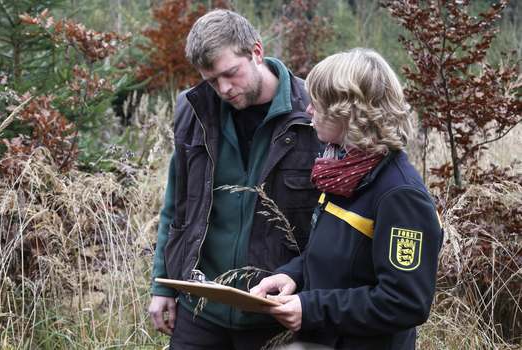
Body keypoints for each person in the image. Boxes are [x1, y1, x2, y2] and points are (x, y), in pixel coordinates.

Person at [147, 9, 323, 349]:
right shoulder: (193, 108)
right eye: (212, 80)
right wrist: (163, 286)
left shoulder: (312, 113)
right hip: (200, 311)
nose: (224, 88)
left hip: (277, 312)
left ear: (256, 51)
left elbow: (331, 225)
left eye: (231, 73)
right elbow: (177, 204)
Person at [250, 48, 443, 349]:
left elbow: (405, 302)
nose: (309, 111)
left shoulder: (400, 195)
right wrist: (292, 276)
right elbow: (333, 258)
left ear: (350, 112)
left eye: (318, 103)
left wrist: (312, 309)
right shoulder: (340, 172)